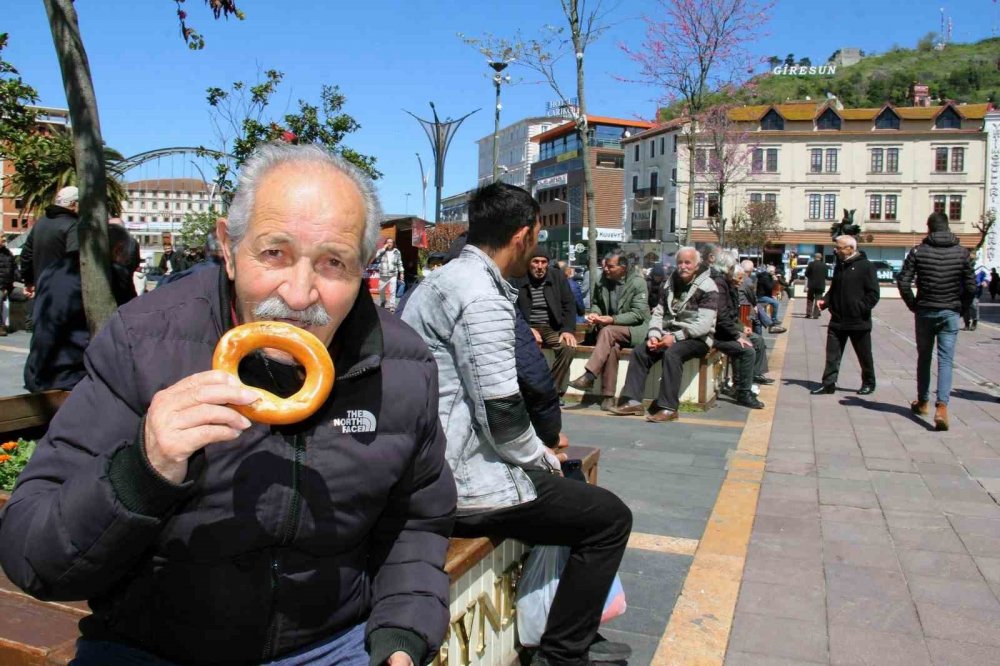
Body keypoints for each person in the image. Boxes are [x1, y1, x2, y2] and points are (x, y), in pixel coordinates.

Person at [0, 143, 456, 665]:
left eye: (334, 263)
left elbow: (416, 522)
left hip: (330, 646)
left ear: (365, 266)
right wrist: (143, 469)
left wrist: (402, 636)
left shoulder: (404, 367)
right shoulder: (144, 344)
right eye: (274, 253)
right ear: (228, 246)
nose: (300, 293)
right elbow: (33, 560)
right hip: (152, 649)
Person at [402, 182, 632, 666]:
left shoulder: (441, 281)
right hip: (465, 484)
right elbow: (503, 415)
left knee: (576, 493)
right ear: (525, 235)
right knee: (609, 519)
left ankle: (567, 631)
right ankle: (562, 654)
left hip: (438, 466)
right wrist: (542, 457)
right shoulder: (480, 296)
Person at [23, 224, 138, 392]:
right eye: (126, 259)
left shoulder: (55, 268)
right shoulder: (110, 274)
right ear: (118, 250)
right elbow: (132, 326)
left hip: (37, 372)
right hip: (73, 377)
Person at [609, 247, 718, 422]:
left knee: (673, 353)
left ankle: (669, 408)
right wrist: (654, 334)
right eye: (680, 262)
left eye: (687, 262)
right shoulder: (669, 283)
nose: (683, 266)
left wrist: (675, 338)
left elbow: (704, 325)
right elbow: (658, 313)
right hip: (669, 333)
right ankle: (633, 401)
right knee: (641, 351)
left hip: (697, 338)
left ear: (697, 265)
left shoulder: (708, 287)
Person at [897, 212, 976, 430]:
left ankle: (923, 401)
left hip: (925, 310)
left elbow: (903, 281)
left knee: (924, 357)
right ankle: (942, 407)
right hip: (950, 310)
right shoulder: (962, 253)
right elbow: (971, 287)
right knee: (945, 359)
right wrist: (962, 307)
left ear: (929, 228)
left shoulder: (918, 251)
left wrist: (913, 304)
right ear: (948, 227)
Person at [568, 250, 651, 411]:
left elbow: (638, 314)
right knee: (612, 347)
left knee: (607, 331)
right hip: (612, 331)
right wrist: (595, 313)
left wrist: (612, 320)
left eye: (610, 266)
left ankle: (589, 376)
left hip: (635, 329)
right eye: (605, 265)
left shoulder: (638, 283)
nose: (606, 269)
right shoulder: (602, 281)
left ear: (623, 267)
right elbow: (597, 303)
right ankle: (608, 397)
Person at [812, 235, 880, 396]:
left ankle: (869, 382)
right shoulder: (839, 266)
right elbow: (834, 289)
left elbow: (874, 294)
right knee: (832, 354)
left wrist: (860, 308)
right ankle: (828, 383)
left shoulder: (866, 266)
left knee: (864, 354)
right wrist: (825, 301)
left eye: (839, 248)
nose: (836, 250)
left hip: (858, 321)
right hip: (837, 319)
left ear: (850, 248)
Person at [705, 252, 770, 409]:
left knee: (755, 340)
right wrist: (736, 334)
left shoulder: (725, 283)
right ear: (727, 268)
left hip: (722, 331)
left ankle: (743, 383)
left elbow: (731, 315)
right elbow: (722, 315)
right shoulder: (719, 283)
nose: (739, 281)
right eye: (732, 267)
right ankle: (743, 392)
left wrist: (740, 329)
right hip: (714, 334)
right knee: (747, 350)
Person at [513, 248, 578, 395]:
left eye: (544, 262)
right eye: (536, 262)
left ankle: (550, 390)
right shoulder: (517, 277)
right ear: (528, 263)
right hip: (526, 326)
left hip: (551, 327)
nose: (540, 266)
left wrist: (568, 330)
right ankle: (521, 391)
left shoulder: (557, 277)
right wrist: (526, 328)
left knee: (568, 347)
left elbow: (569, 304)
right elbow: (512, 306)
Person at [19, 185, 80, 296]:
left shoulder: (41, 222)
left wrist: (29, 282)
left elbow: (26, 255)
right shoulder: (73, 225)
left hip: (41, 290)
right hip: (64, 293)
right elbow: (74, 259)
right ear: (74, 204)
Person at [158, 231, 225, 286]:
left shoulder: (201, 260)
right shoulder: (185, 260)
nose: (192, 251)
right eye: (191, 250)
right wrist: (164, 273)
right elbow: (182, 272)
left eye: (194, 250)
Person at [374, 237, 404, 312]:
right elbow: (377, 257)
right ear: (386, 243)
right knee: (381, 290)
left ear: (393, 244)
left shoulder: (397, 252)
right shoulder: (382, 251)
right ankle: (383, 301)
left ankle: (392, 305)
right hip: (383, 274)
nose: (389, 243)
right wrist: (383, 248)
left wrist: (401, 273)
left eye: (391, 242)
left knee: (392, 291)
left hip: (393, 274)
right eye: (388, 242)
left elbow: (399, 263)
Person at [0, 234, 16, 336]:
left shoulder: (8, 253)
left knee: (33, 295)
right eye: (2, 237)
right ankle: (1, 326)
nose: (4, 239)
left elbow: (15, 271)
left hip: (9, 287)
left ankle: (31, 325)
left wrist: (29, 283)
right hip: (1, 287)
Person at [965, 264, 988, 331]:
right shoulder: (962, 261)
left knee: (974, 305)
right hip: (964, 288)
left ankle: (975, 320)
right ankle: (967, 323)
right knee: (965, 306)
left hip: (975, 288)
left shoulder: (980, 265)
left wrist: (985, 281)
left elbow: (988, 274)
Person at [805, 252, 827, 319]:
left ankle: (809, 313)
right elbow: (826, 275)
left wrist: (811, 277)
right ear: (821, 258)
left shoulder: (811, 264)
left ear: (814, 257)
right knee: (818, 300)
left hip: (812, 285)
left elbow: (806, 273)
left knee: (810, 299)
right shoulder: (824, 265)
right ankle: (816, 314)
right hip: (820, 285)